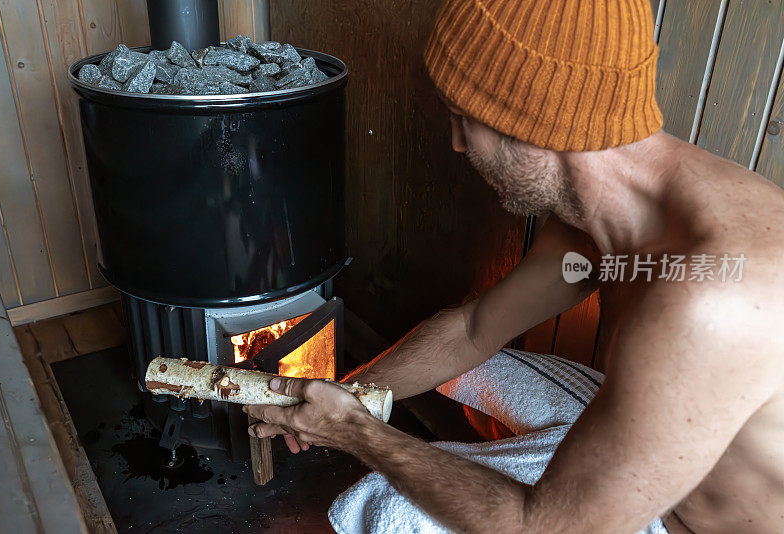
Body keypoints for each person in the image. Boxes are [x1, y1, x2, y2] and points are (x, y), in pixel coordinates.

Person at [244, 0, 784, 532]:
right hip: (645, 453)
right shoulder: (605, 218)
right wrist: (347, 394)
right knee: (467, 364)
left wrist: (357, 432)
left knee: (388, 510)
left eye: (463, 119)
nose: (456, 143)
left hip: (666, 524)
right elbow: (474, 330)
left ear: (535, 124)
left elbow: (540, 527)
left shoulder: (713, 299)